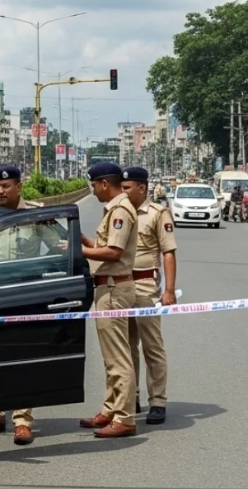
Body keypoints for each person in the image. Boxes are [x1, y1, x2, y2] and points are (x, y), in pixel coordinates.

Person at [0, 165, 61, 446]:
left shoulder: (35, 215)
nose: (0, 191)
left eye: (6, 186)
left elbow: (59, 247)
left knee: (23, 358)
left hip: (23, 296)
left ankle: (22, 421)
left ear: (19, 187)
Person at [79, 162, 139, 439]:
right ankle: (112, 409)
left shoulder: (120, 211)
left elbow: (114, 252)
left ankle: (125, 418)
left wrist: (80, 252)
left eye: (93, 185)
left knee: (118, 358)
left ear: (104, 183)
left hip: (114, 289)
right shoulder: (115, 209)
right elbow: (103, 245)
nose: (93, 191)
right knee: (111, 357)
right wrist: (80, 241)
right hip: (109, 287)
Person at [121, 166, 177, 426]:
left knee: (151, 345)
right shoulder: (118, 211)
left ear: (142, 188)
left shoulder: (157, 213)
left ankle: (158, 401)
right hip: (121, 285)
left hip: (145, 286)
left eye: (127, 188)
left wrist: (168, 290)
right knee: (126, 346)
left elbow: (168, 251)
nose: (123, 192)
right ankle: (130, 397)